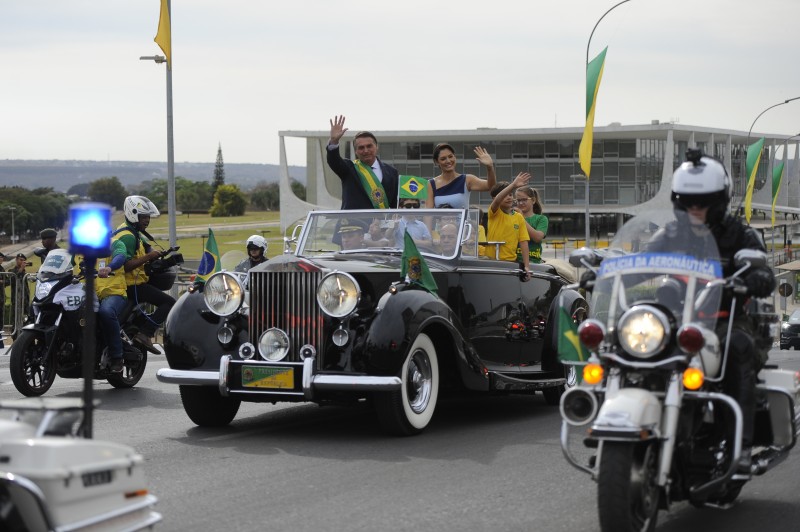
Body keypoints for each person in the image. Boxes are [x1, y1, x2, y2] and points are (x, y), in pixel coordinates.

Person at [647, 149, 775, 472]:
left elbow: (765, 274)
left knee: (736, 349)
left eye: (702, 202)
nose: (695, 208)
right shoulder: (670, 234)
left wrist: (752, 281)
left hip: (729, 320)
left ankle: (739, 447)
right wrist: (606, 268)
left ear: (719, 200)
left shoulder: (740, 234)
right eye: (688, 201)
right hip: (679, 320)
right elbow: (642, 263)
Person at [117, 195, 176, 354]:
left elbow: (145, 248)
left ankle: (140, 327)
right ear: (132, 213)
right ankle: (146, 334)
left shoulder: (132, 231)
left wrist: (158, 256)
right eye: (143, 217)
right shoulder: (128, 237)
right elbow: (125, 266)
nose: (147, 220)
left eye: (148, 217)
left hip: (134, 283)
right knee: (169, 302)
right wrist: (149, 257)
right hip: (131, 285)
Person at [326, 115, 399, 210]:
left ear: (376, 147)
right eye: (361, 148)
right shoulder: (349, 168)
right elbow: (334, 161)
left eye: (369, 146)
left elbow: (394, 204)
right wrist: (334, 141)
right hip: (353, 223)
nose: (365, 150)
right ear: (355, 151)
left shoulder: (392, 172)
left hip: (381, 223)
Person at [424, 144, 497, 209]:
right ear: (437, 162)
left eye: (450, 156)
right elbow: (428, 214)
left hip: (463, 224)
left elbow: (491, 186)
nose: (448, 161)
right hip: (441, 224)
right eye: (443, 159)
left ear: (455, 157)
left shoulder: (467, 179)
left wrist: (490, 167)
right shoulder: (430, 184)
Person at [486, 173, 532, 277]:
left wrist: (527, 266)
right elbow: (498, 200)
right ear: (494, 198)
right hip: (491, 262)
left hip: (511, 264)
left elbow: (523, 242)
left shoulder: (518, 217)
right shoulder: (494, 212)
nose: (509, 197)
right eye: (505, 195)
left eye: (510, 194)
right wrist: (513, 185)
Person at [95, 235, 129, 373]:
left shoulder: (115, 243)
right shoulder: (83, 248)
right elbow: (69, 262)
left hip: (114, 292)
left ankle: (117, 357)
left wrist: (109, 268)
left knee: (106, 312)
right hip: (90, 293)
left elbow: (120, 256)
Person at [514, 186, 548, 264]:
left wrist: (521, 218)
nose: (521, 203)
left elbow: (538, 237)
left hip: (534, 261)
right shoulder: (513, 217)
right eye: (518, 200)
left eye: (524, 200)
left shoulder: (541, 219)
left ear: (533, 200)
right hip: (514, 261)